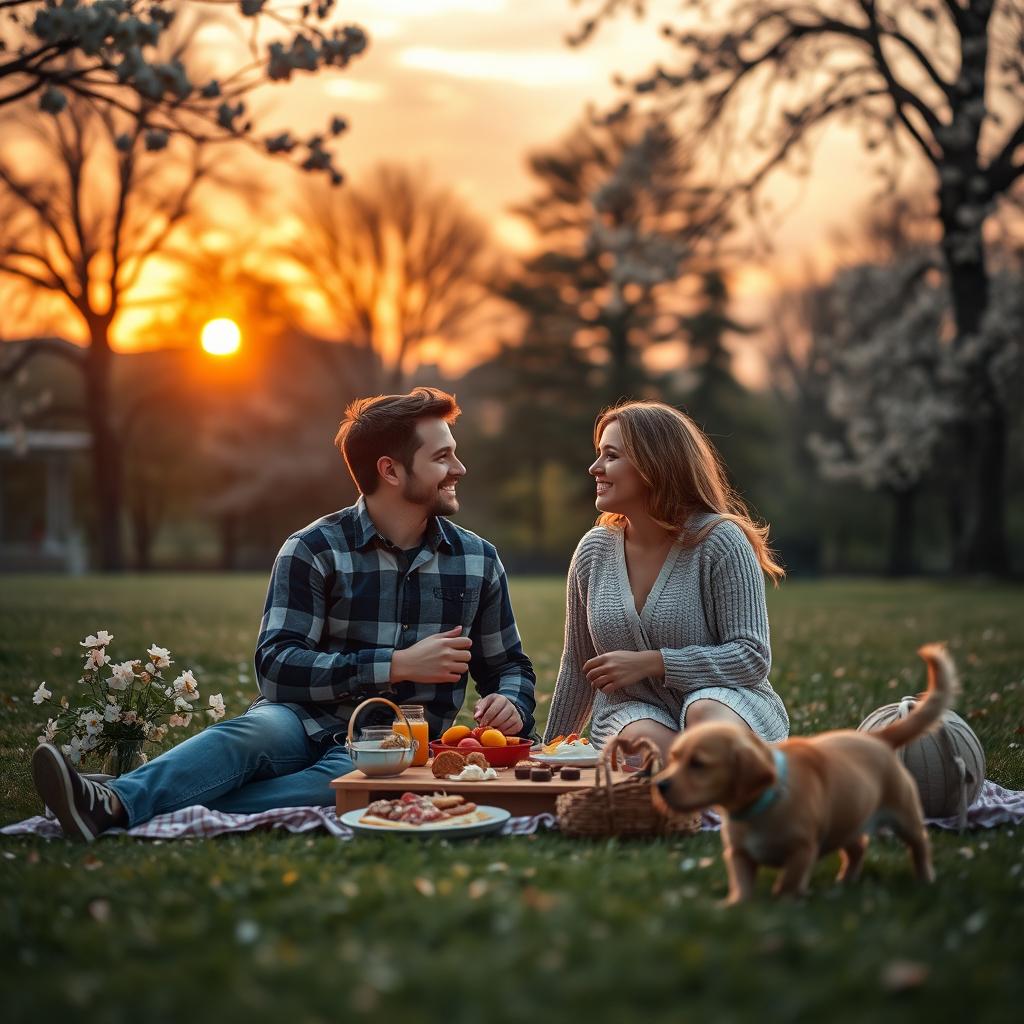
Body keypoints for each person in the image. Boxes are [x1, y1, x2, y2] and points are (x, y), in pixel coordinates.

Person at [32, 387, 537, 841]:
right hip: (296, 717)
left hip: (394, 743)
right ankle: (120, 800)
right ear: (390, 470)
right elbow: (275, 666)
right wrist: (394, 665)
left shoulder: (477, 561)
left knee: (336, 791)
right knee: (247, 735)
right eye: (443, 456)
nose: (459, 468)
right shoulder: (313, 549)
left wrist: (512, 702)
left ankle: (122, 799)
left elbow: (509, 666)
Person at [543, 400, 788, 757]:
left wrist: (655, 663)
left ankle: (728, 794)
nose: (595, 467)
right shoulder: (593, 551)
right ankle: (701, 793)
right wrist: (549, 753)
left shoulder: (720, 541)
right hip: (632, 711)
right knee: (642, 745)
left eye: (611, 455)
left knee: (705, 717)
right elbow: (577, 668)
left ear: (653, 466)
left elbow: (751, 656)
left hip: (727, 700)